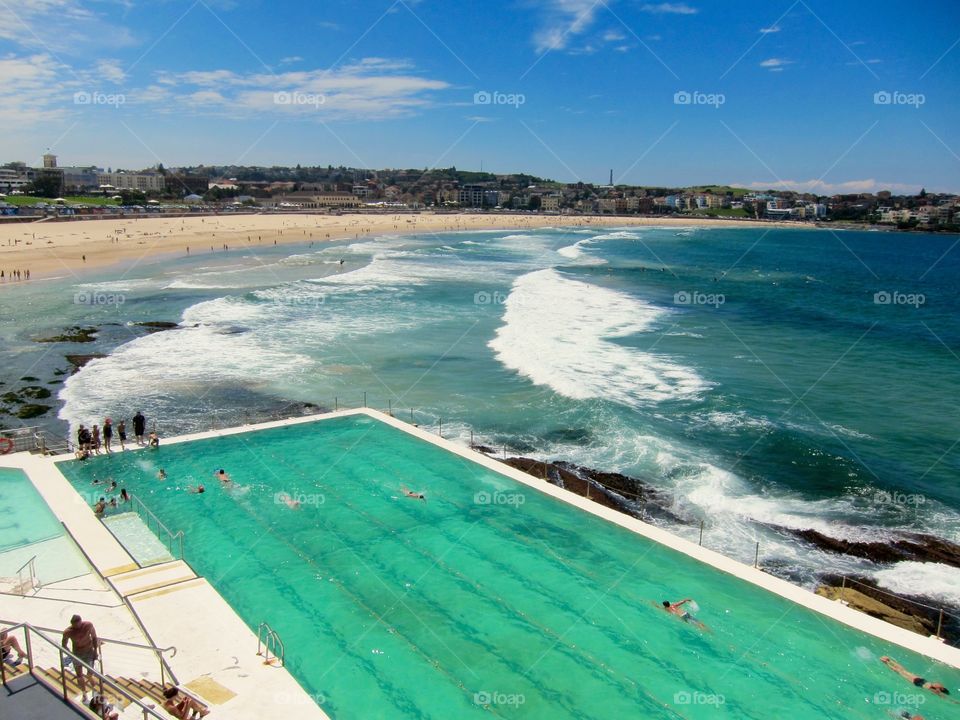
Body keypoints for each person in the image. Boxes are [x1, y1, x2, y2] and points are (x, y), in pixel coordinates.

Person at [62, 615, 98, 703]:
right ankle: (84, 693)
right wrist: (70, 655)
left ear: (81, 621)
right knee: (79, 676)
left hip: (89, 652)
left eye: (78, 624)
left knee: (90, 674)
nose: (77, 626)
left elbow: (94, 637)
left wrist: (95, 651)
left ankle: (95, 688)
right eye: (75, 625)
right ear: (72, 624)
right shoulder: (68, 632)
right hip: (77, 654)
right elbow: (64, 645)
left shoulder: (88, 625)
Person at [881, 656, 951, 697]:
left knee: (900, 671)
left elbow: (942, 696)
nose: (937, 683)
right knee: (903, 670)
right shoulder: (939, 688)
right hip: (921, 681)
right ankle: (889, 661)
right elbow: (940, 690)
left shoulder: (937, 690)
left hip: (918, 682)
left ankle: (887, 662)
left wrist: (953, 701)